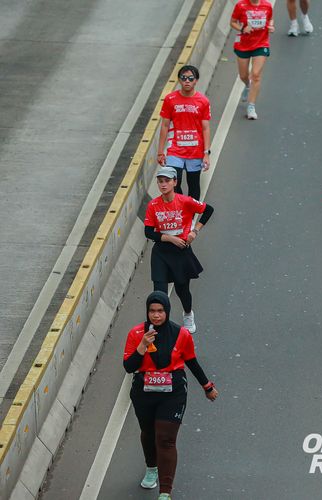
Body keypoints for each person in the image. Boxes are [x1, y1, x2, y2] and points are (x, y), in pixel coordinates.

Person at [124, 291, 218, 500]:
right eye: (152, 311)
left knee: (166, 439)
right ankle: (151, 468)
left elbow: (191, 361)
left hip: (172, 393)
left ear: (167, 311)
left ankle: (165, 492)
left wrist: (207, 386)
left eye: (160, 311)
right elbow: (129, 367)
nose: (156, 315)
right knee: (149, 433)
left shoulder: (181, 334)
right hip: (144, 393)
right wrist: (142, 346)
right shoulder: (136, 334)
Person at [144, 167, 214, 334]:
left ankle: (188, 314)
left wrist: (194, 231)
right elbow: (148, 232)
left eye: (167, 181)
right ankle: (159, 325)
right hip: (161, 252)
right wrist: (170, 238)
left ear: (175, 182)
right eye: (160, 181)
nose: (163, 184)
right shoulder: (153, 205)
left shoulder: (185, 201)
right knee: (159, 292)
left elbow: (208, 210)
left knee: (182, 290)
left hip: (181, 252)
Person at [157, 65, 211, 200]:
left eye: (191, 78)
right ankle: (181, 206)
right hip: (175, 149)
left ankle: (192, 211)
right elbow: (164, 126)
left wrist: (206, 153)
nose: (187, 81)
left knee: (193, 184)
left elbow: (206, 128)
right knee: (174, 183)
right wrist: (160, 152)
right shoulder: (170, 99)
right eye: (184, 78)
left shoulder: (203, 101)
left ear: (196, 81)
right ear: (179, 80)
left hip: (195, 151)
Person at [230, 0, 275, 120]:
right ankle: (247, 85)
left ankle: (251, 106)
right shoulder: (241, 5)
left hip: (261, 43)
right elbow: (232, 22)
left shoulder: (267, 6)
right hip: (243, 44)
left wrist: (271, 26)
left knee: (256, 75)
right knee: (243, 75)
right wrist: (242, 29)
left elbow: (270, 19)